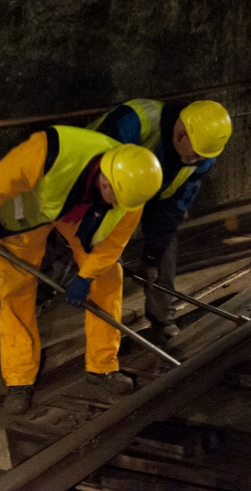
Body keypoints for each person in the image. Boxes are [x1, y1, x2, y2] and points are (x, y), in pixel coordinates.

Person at [0, 128, 163, 414]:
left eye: (120, 199)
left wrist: (85, 276)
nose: (115, 202)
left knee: (106, 278)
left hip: (80, 210)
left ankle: (102, 368)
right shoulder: (48, 151)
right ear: (105, 172)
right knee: (17, 287)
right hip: (30, 204)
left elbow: (112, 245)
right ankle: (19, 379)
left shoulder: (132, 193)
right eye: (111, 193)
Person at [90, 99, 232, 345]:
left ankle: (162, 320)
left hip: (155, 195)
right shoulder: (133, 122)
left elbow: (175, 207)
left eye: (204, 156)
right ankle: (106, 334)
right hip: (108, 191)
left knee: (163, 255)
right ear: (180, 134)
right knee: (107, 266)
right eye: (197, 153)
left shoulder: (202, 154)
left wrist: (152, 257)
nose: (199, 160)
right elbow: (95, 178)